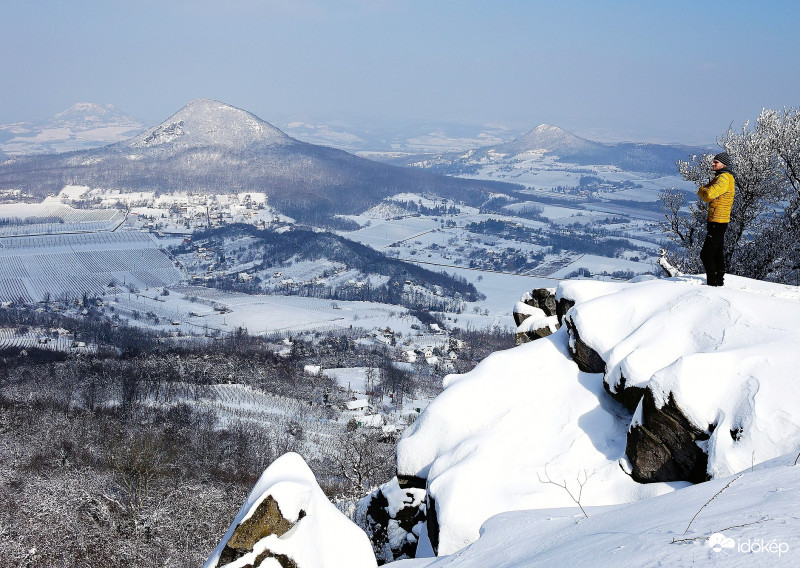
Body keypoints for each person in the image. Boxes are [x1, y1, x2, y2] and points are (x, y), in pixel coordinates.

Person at [697, 152, 736, 286]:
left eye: (716, 162)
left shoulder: (723, 178)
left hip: (717, 221)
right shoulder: (724, 177)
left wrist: (702, 189)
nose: (713, 164)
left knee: (706, 254)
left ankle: (712, 283)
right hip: (719, 220)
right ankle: (718, 281)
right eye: (713, 161)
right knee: (716, 252)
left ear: (724, 164)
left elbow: (708, 195)